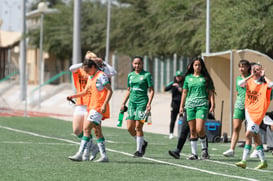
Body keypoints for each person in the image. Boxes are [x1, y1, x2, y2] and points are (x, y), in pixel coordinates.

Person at [67, 58, 113, 162]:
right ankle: (104, 156)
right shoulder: (91, 77)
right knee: (97, 132)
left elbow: (110, 91)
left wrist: (105, 105)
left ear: (93, 67)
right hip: (91, 107)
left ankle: (80, 154)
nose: (86, 73)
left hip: (98, 107)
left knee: (86, 129)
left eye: (87, 70)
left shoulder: (101, 76)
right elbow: (85, 91)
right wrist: (73, 96)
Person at [235, 63, 273, 169]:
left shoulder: (264, 84)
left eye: (259, 70)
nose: (257, 71)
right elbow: (240, 84)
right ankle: (263, 161)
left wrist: (264, 76)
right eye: (255, 70)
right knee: (256, 136)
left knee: (248, 134)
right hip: (248, 111)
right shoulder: (249, 81)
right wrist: (251, 75)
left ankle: (243, 160)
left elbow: (272, 84)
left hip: (257, 114)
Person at [179, 57, 215, 160]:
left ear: (202, 66)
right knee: (192, 130)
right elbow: (184, 92)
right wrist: (181, 106)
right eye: (196, 65)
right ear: (192, 66)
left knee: (200, 129)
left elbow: (211, 92)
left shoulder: (205, 78)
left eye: (199, 65)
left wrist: (212, 105)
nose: (197, 67)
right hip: (190, 105)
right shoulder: (188, 78)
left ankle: (204, 149)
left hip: (202, 105)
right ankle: (194, 154)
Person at [120, 56, 154, 157]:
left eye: (139, 63)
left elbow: (151, 90)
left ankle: (139, 150)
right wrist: (123, 103)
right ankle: (143, 142)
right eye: (135, 63)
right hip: (132, 104)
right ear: (132, 64)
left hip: (142, 103)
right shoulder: (130, 75)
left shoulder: (147, 75)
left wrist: (149, 104)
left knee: (138, 126)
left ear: (142, 64)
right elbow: (128, 89)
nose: (137, 65)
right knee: (130, 128)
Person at [223, 60, 251, 157]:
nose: (241, 69)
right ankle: (231, 149)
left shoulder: (252, 78)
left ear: (248, 67)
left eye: (243, 66)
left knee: (250, 130)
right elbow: (239, 89)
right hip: (239, 105)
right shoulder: (238, 78)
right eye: (240, 66)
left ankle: (252, 150)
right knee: (236, 127)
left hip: (250, 106)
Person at [164, 70, 185, 139]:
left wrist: (178, 87)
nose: (178, 78)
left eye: (180, 76)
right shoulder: (173, 83)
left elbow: (183, 91)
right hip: (174, 104)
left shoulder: (184, 83)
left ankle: (183, 133)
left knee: (183, 120)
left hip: (182, 104)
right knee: (173, 119)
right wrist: (172, 85)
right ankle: (171, 133)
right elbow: (165, 89)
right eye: (177, 76)